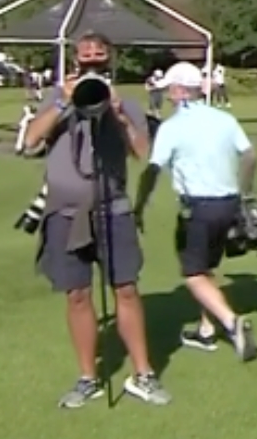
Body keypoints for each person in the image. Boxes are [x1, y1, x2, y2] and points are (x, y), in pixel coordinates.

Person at [20, 30, 169, 409]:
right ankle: (88, 377)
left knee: (126, 289)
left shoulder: (125, 102)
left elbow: (143, 152)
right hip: (65, 212)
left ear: (109, 61)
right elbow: (29, 142)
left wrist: (117, 115)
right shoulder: (57, 97)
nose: (91, 64)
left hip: (112, 208)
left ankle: (143, 374)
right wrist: (64, 103)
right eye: (84, 58)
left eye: (98, 59)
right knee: (77, 294)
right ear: (74, 61)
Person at [134, 62, 257, 362]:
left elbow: (152, 170)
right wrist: (245, 193)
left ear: (180, 91)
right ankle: (206, 330)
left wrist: (139, 206)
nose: (168, 94)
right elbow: (250, 156)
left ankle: (231, 322)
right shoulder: (224, 119)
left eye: (170, 89)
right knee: (206, 268)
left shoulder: (171, 127)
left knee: (193, 274)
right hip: (229, 203)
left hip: (198, 208)